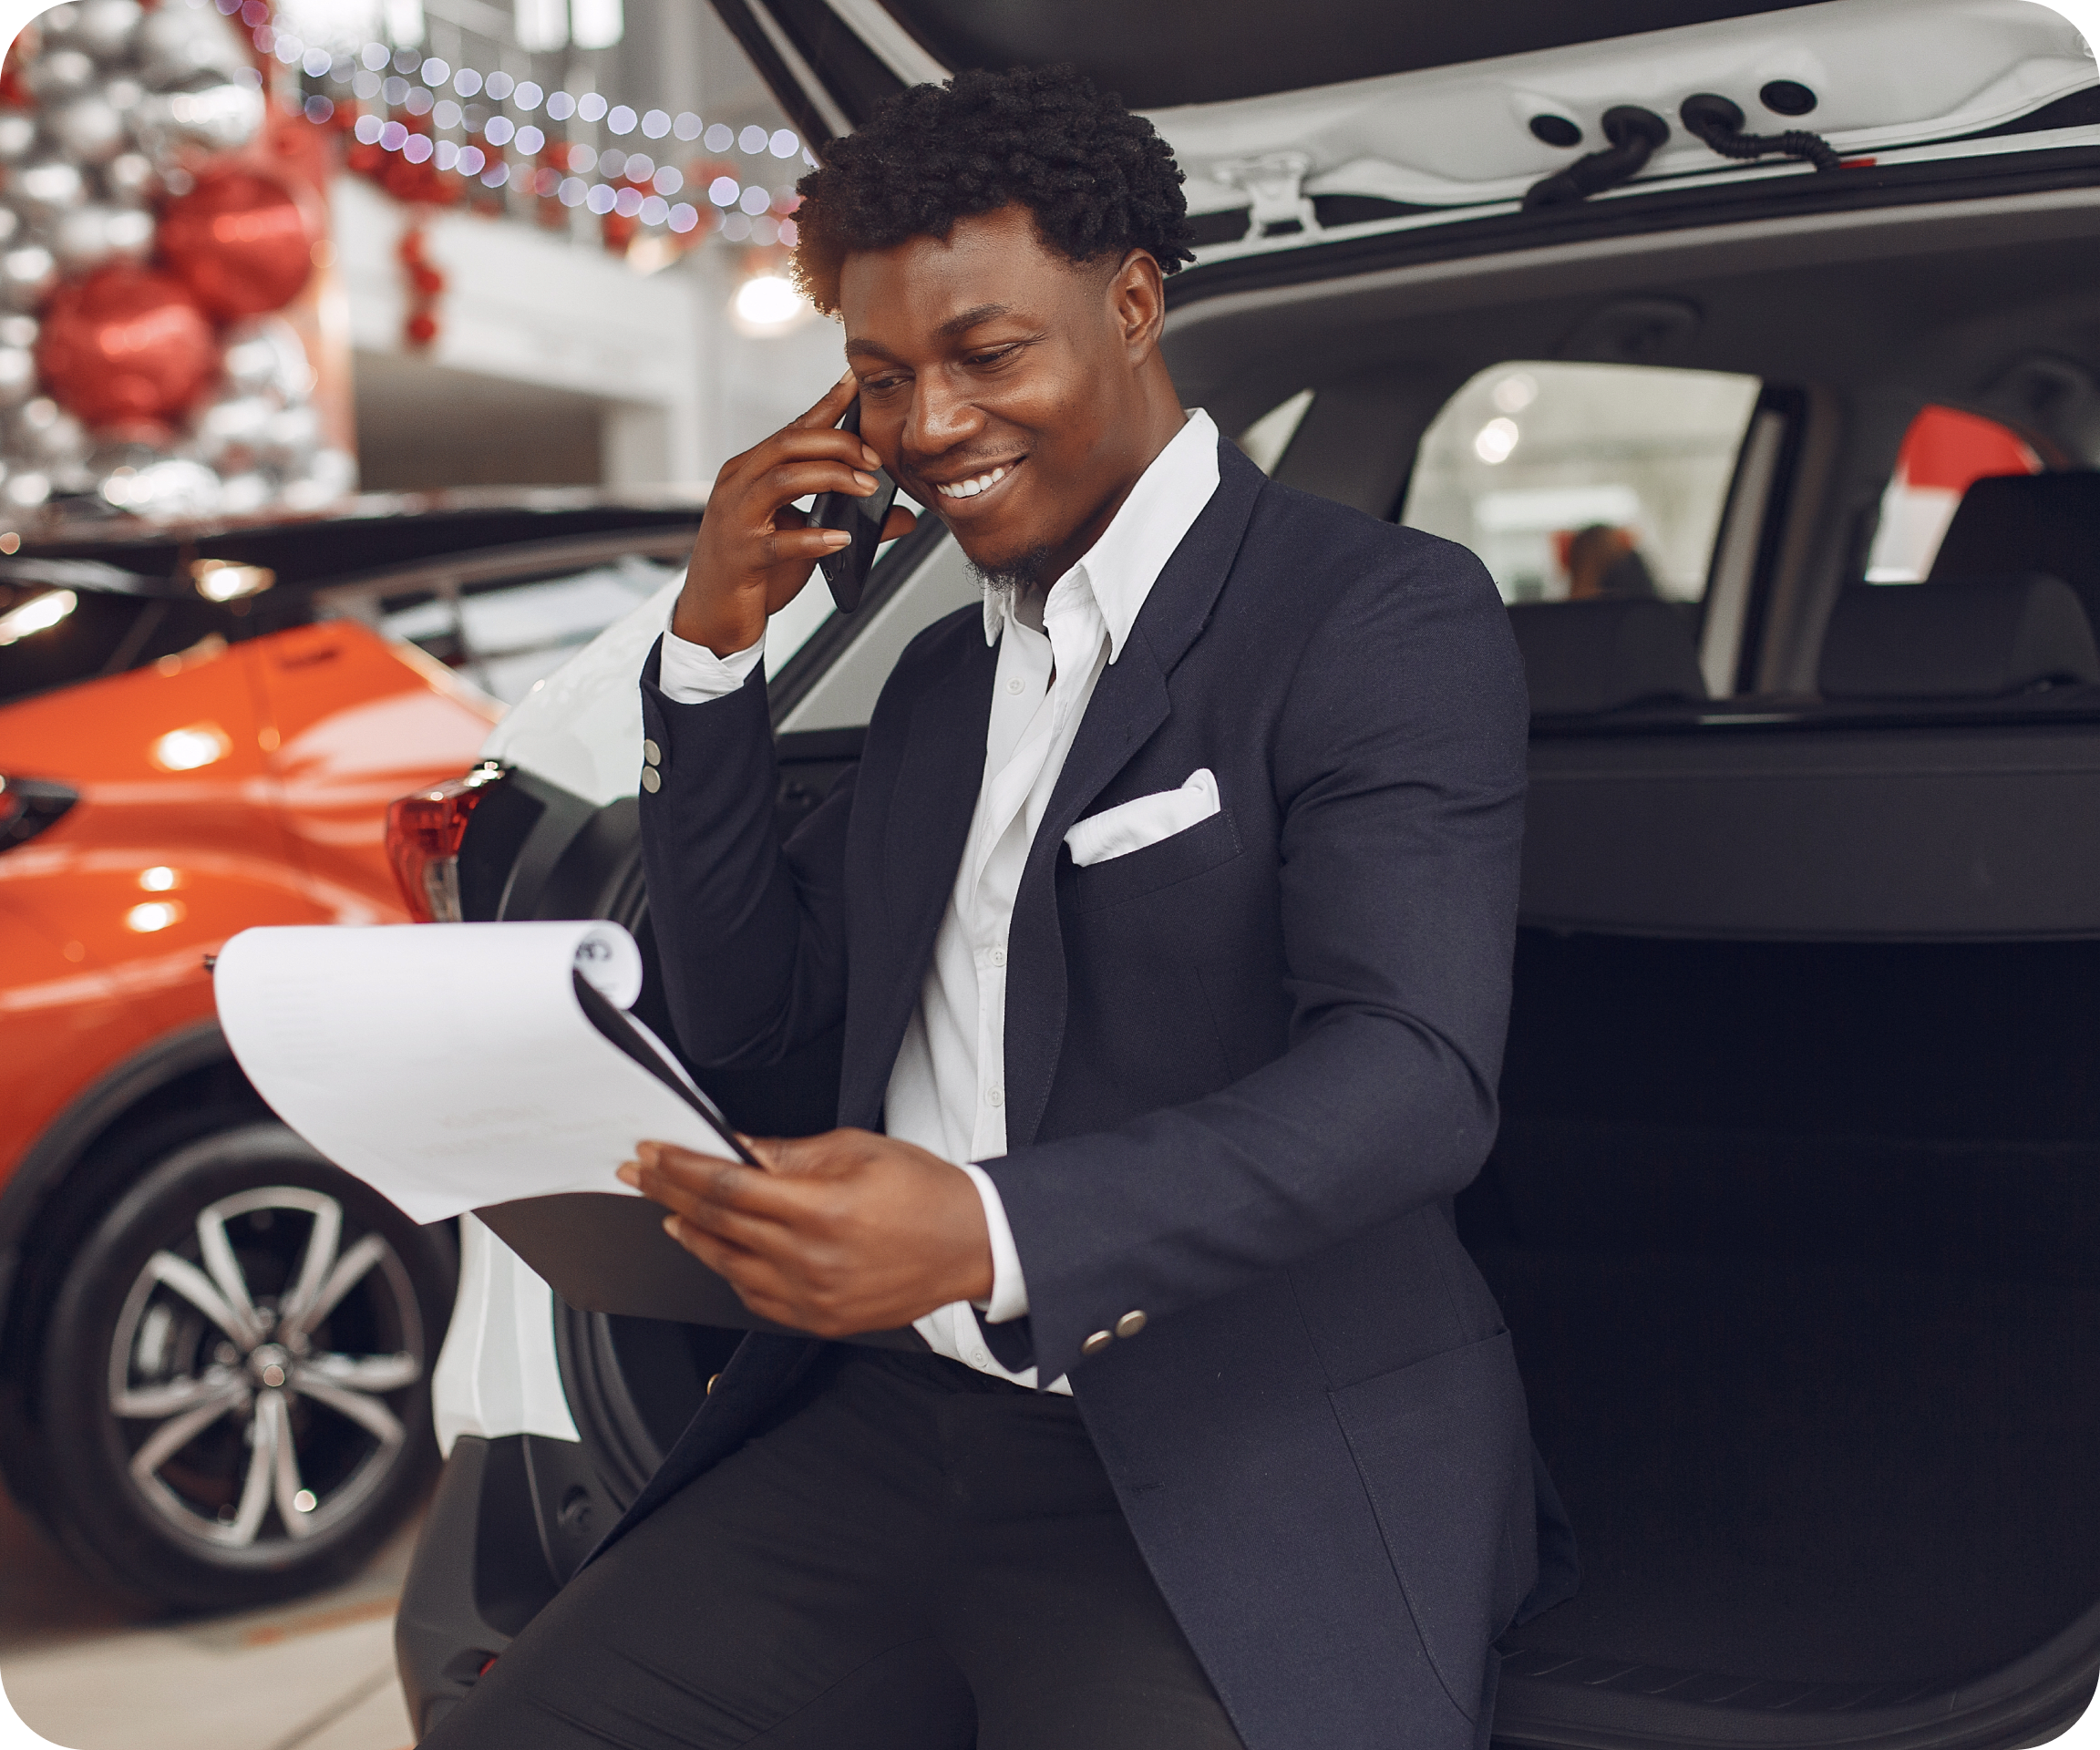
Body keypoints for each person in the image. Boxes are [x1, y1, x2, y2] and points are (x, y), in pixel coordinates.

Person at [427, 65, 1574, 1750]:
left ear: (1131, 302)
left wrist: (990, 1227)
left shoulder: (1378, 614)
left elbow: (1413, 1082)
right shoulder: (938, 693)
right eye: (883, 382)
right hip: (883, 1429)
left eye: (987, 354)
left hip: (1221, 1452)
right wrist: (712, 653)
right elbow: (751, 1018)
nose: (930, 427)